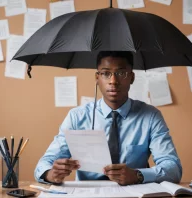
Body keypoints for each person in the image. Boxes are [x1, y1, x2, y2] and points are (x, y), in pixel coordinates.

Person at [34, 51, 182, 185]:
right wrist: (50, 174)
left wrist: (138, 175)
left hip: (134, 193)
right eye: (105, 73)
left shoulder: (150, 116)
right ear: (97, 78)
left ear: (132, 77)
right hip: (88, 195)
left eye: (121, 73)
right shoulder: (77, 117)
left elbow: (173, 168)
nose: (113, 81)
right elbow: (44, 163)